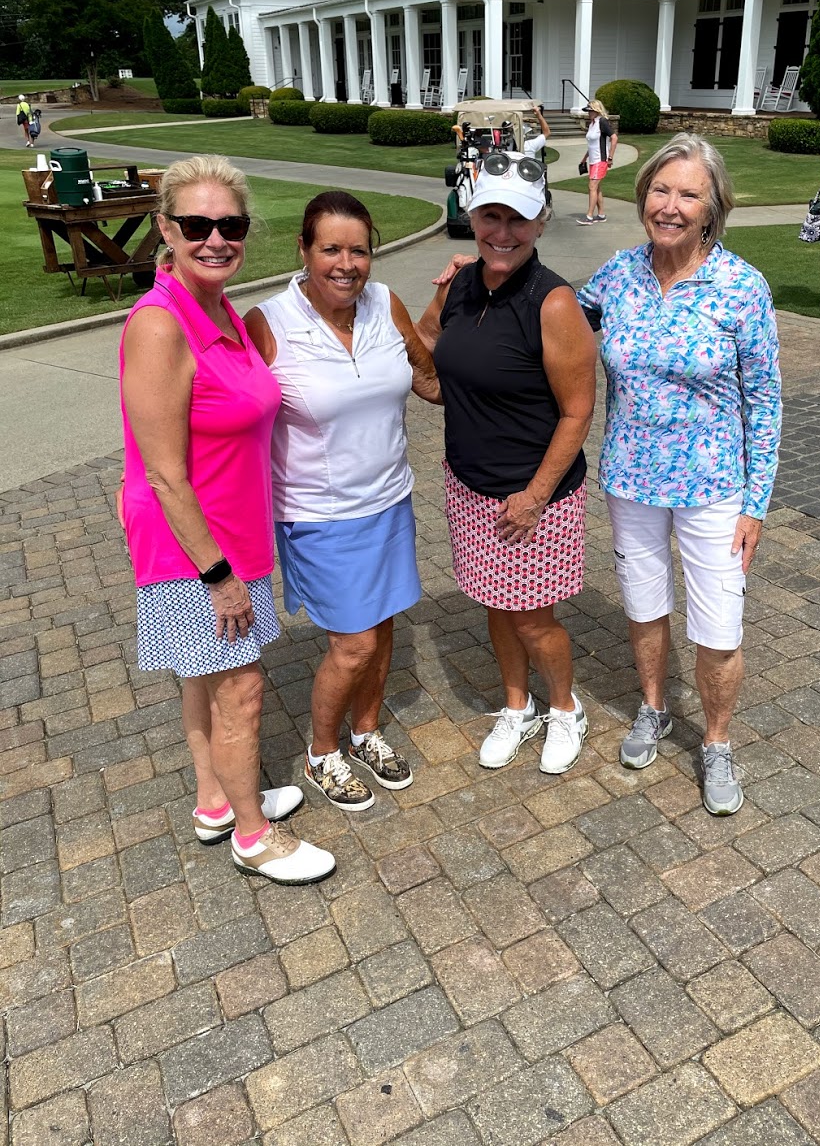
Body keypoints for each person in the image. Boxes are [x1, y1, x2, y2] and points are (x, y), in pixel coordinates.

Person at [119, 154, 335, 886]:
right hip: (192, 548)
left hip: (233, 534)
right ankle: (253, 833)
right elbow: (162, 472)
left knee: (203, 676)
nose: (215, 238)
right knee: (239, 687)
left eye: (230, 224)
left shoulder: (219, 310)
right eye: (197, 224)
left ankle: (217, 800)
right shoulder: (159, 324)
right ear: (165, 230)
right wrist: (217, 575)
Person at [577, 133, 781, 815]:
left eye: (687, 194)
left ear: (710, 207)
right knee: (643, 605)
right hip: (630, 478)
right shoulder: (616, 274)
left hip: (713, 487)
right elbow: (555, 321)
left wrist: (755, 502)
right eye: (660, 190)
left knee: (718, 627)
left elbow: (765, 400)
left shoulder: (740, 286)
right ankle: (653, 707)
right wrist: (484, 275)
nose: (669, 205)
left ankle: (717, 743)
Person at [244, 192, 440, 813]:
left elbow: (427, 377)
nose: (346, 264)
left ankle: (367, 731)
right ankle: (322, 750)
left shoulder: (386, 305)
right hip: (318, 515)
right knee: (351, 644)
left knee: (381, 628)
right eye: (330, 248)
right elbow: (229, 410)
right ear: (303, 250)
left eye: (359, 250)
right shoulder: (268, 323)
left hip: (389, 501)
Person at [418, 152, 597, 776]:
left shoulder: (553, 303)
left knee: (534, 617)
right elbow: (428, 359)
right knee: (496, 605)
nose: (502, 232)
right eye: (490, 215)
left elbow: (578, 412)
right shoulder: (463, 283)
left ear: (542, 222)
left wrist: (535, 495)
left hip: (533, 494)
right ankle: (516, 707)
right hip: (470, 484)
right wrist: (428, 301)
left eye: (518, 219)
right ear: (471, 214)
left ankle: (565, 708)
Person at [578, 99, 617, 226]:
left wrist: (610, 157)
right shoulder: (592, 124)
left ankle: (589, 216)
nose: (588, 113)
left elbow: (614, 137)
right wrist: (585, 158)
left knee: (592, 186)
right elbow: (592, 145)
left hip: (601, 159)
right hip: (593, 160)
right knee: (597, 187)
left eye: (590, 111)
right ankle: (601, 214)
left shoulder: (602, 122)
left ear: (596, 111)